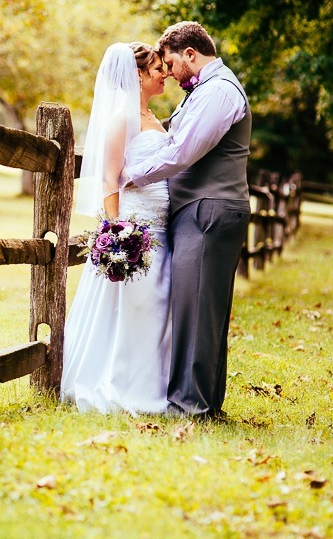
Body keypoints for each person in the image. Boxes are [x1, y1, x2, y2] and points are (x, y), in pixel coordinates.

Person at [122, 21, 251, 419]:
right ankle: (205, 404)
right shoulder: (206, 91)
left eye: (173, 63)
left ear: (191, 54)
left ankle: (189, 407)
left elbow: (181, 153)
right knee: (203, 309)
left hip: (209, 208)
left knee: (196, 310)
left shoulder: (218, 92)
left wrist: (130, 175)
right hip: (203, 208)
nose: (170, 73)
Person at [60, 41, 172, 415]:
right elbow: (110, 179)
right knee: (132, 308)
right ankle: (119, 385)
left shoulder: (153, 117)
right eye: (157, 68)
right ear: (138, 75)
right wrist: (118, 233)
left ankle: (152, 382)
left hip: (162, 230)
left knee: (156, 308)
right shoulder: (121, 117)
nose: (164, 73)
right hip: (135, 231)